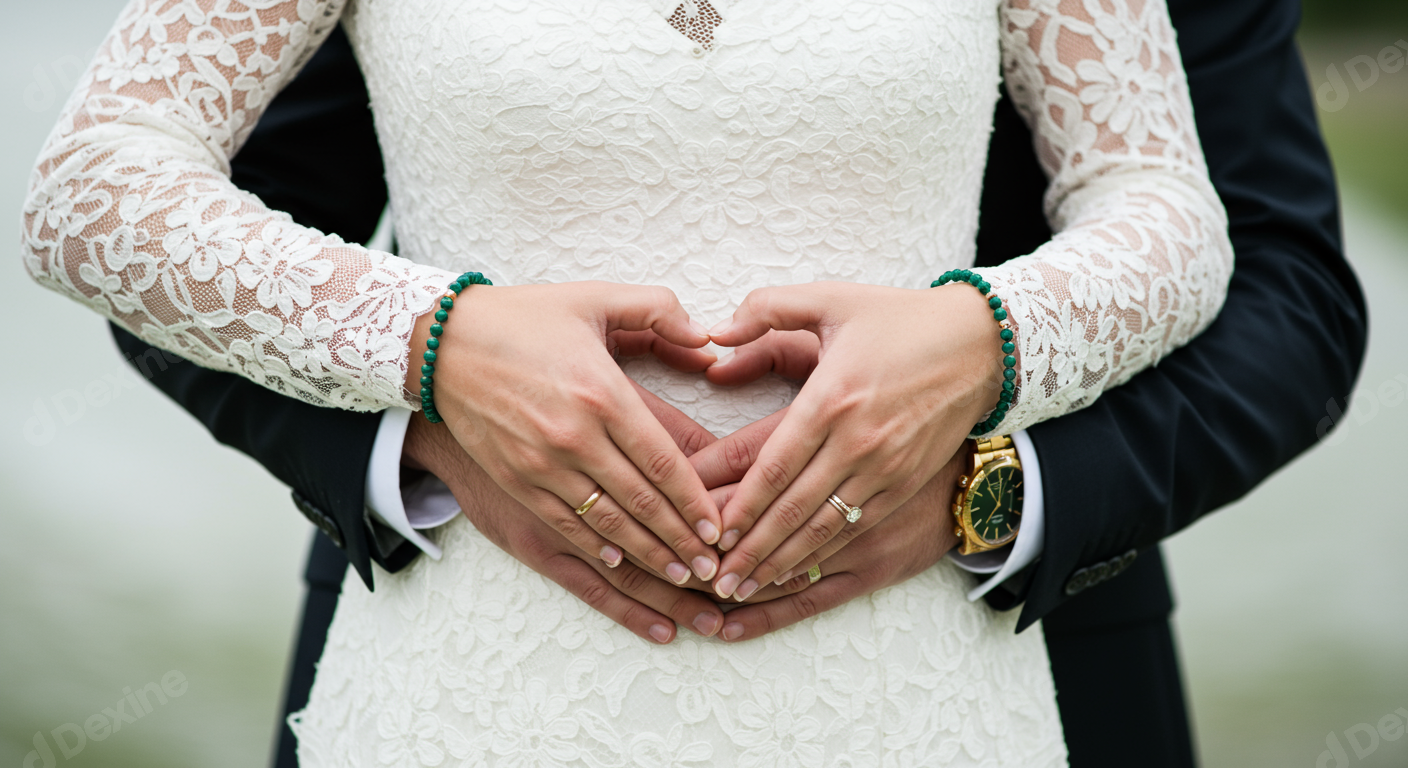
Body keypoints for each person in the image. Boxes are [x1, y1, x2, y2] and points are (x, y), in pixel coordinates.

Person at [24, 0, 1363, 765]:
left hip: (929, 682)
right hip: (480, 675)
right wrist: (439, 361)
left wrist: (987, 357)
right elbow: (109, 195)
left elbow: (1242, 258)